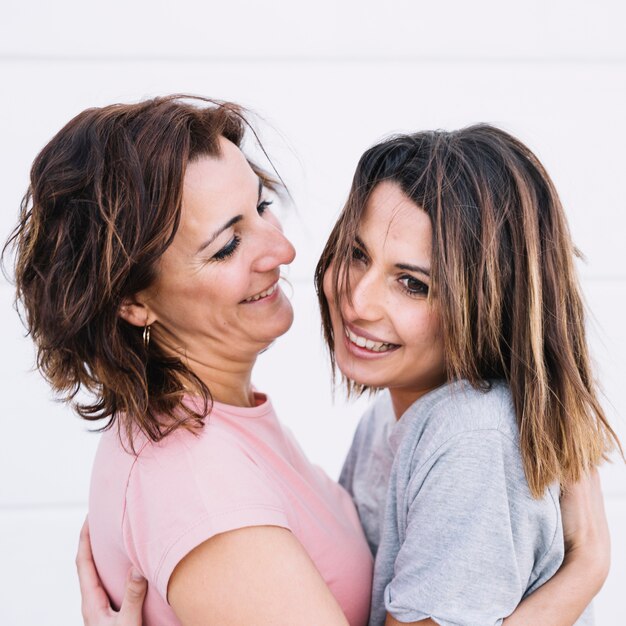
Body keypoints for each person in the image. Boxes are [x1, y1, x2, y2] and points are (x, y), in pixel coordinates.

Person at [7, 98, 611, 625]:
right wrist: (586, 567)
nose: (286, 248)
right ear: (134, 302)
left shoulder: (445, 430)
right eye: (227, 244)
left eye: (262, 205)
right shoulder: (201, 481)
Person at [315, 125, 622, 625]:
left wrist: (590, 566)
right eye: (357, 254)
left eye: (412, 284)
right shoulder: (392, 416)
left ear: (489, 302)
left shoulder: (471, 437)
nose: (358, 300)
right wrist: (587, 565)